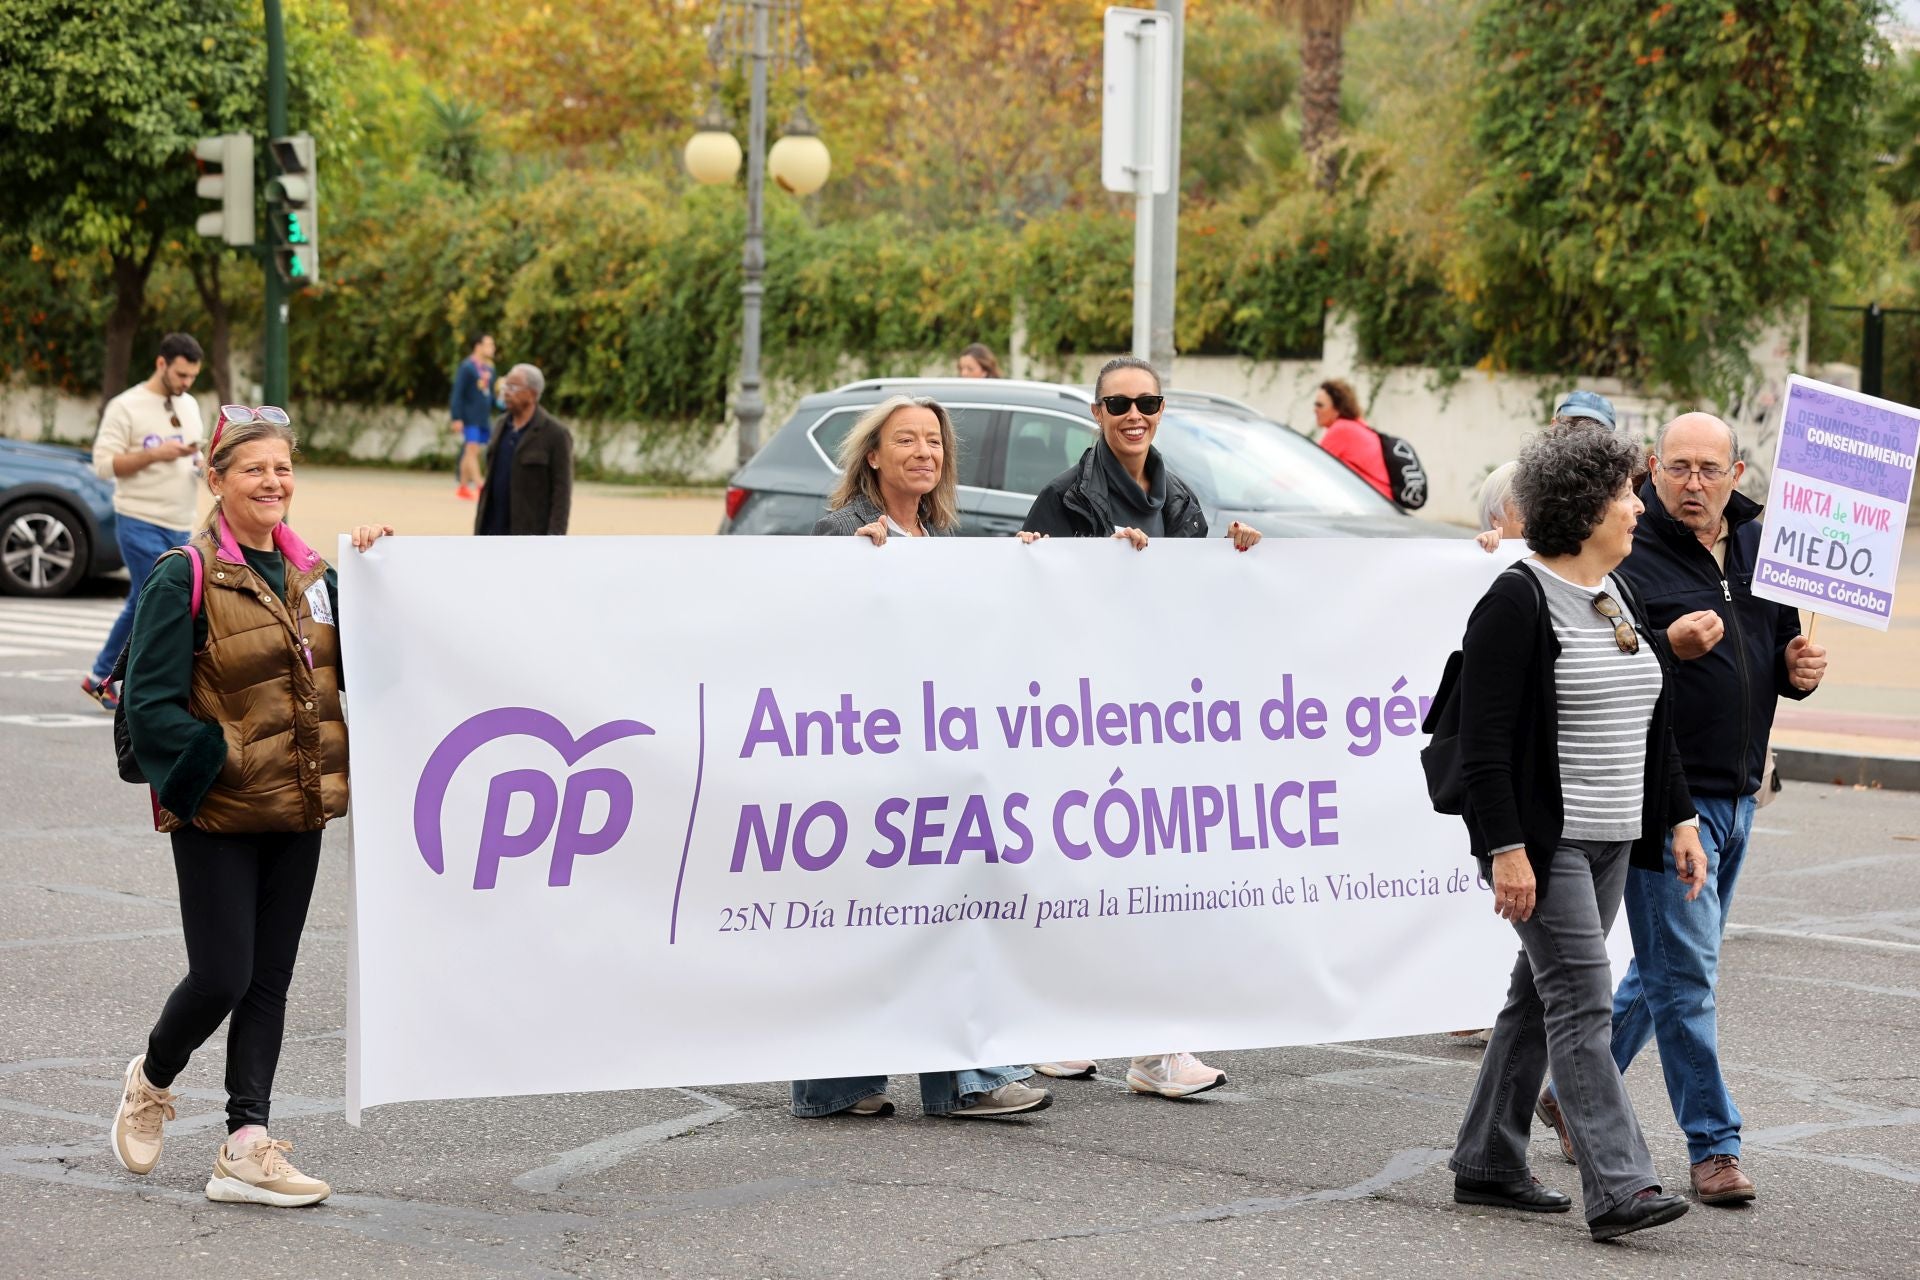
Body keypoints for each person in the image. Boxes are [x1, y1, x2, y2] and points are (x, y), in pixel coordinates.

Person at [1536, 413, 1827, 1206]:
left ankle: (1567, 1091)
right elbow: (1600, 662)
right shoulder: (1628, 548)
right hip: (1669, 798)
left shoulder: (1770, 550)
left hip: (1742, 790)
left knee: (1667, 969)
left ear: (1737, 473)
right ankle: (1714, 1146)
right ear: (1652, 469)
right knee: (1688, 978)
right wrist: (1672, 645)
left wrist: (1799, 672)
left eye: (1709, 469)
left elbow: (1775, 657)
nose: (1693, 483)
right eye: (1678, 468)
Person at [112, 407, 393, 1207]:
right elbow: (150, 708)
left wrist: (381, 565)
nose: (273, 483)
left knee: (269, 978)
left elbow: (370, 662)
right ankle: (153, 1078)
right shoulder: (183, 575)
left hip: (299, 807)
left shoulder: (317, 577)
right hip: (221, 812)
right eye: (253, 470)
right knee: (223, 974)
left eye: (282, 469)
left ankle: (246, 1144)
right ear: (217, 480)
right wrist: (219, 763)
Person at [1447, 422, 1707, 1242]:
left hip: (1609, 838)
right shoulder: (1516, 601)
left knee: (1538, 998)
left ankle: (1487, 1158)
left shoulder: (1614, 594)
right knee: (1583, 1005)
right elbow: (1483, 745)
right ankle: (1622, 1186)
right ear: (1583, 507)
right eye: (1625, 493)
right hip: (1545, 843)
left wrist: (1680, 817)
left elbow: (1651, 725)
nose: (1638, 506)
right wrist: (1507, 850)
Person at [794, 394, 1051, 1119]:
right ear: (872, 455)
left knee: (957, 908)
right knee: (861, 922)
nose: (924, 454)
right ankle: (839, 1084)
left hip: (937, 758)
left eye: (934, 443)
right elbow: (813, 636)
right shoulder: (845, 531)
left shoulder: (938, 538)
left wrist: (1021, 576)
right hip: (870, 760)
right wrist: (855, 571)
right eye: (905, 441)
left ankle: (970, 1079)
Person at [1018, 355, 1259, 1094]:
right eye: (1118, 402)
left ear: (1161, 410)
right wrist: (1099, 567)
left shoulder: (1181, 498)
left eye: (1147, 402)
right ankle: (1056, 1029)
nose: (1134, 414)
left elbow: (1196, 608)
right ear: (1096, 413)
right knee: (1082, 881)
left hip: (1160, 721)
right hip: (1084, 719)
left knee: (1160, 882)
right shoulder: (1064, 498)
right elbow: (1035, 606)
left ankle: (1158, 1049)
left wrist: (1235, 559)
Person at [82, 333, 207, 712]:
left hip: (179, 521)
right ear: (161, 364)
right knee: (157, 600)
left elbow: (192, 453)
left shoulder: (190, 405)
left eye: (192, 377)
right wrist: (156, 454)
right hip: (138, 518)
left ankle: (101, 676)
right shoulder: (127, 406)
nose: (186, 384)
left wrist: (199, 465)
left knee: (143, 600)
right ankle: (137, 682)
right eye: (181, 375)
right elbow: (103, 464)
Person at [475, 364, 573, 536]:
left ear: (533, 394)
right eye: (506, 385)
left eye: (513, 387)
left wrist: (555, 537)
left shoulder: (555, 434)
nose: (506, 392)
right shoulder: (500, 426)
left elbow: (562, 493)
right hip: (493, 529)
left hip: (530, 533)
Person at [1311, 378, 1393, 502]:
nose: (1314, 410)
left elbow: (1311, 470)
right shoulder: (1357, 426)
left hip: (1369, 506)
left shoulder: (1341, 430)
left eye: (1320, 405)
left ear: (1337, 409)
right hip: (1380, 504)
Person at [450, 334, 497, 500]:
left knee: (471, 451)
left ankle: (462, 487)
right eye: (489, 345)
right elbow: (457, 393)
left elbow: (489, 394)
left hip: (483, 416)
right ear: (478, 346)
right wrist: (456, 417)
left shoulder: (489, 369)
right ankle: (480, 485)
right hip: (469, 417)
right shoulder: (467, 367)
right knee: (472, 449)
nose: (493, 348)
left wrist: (500, 402)